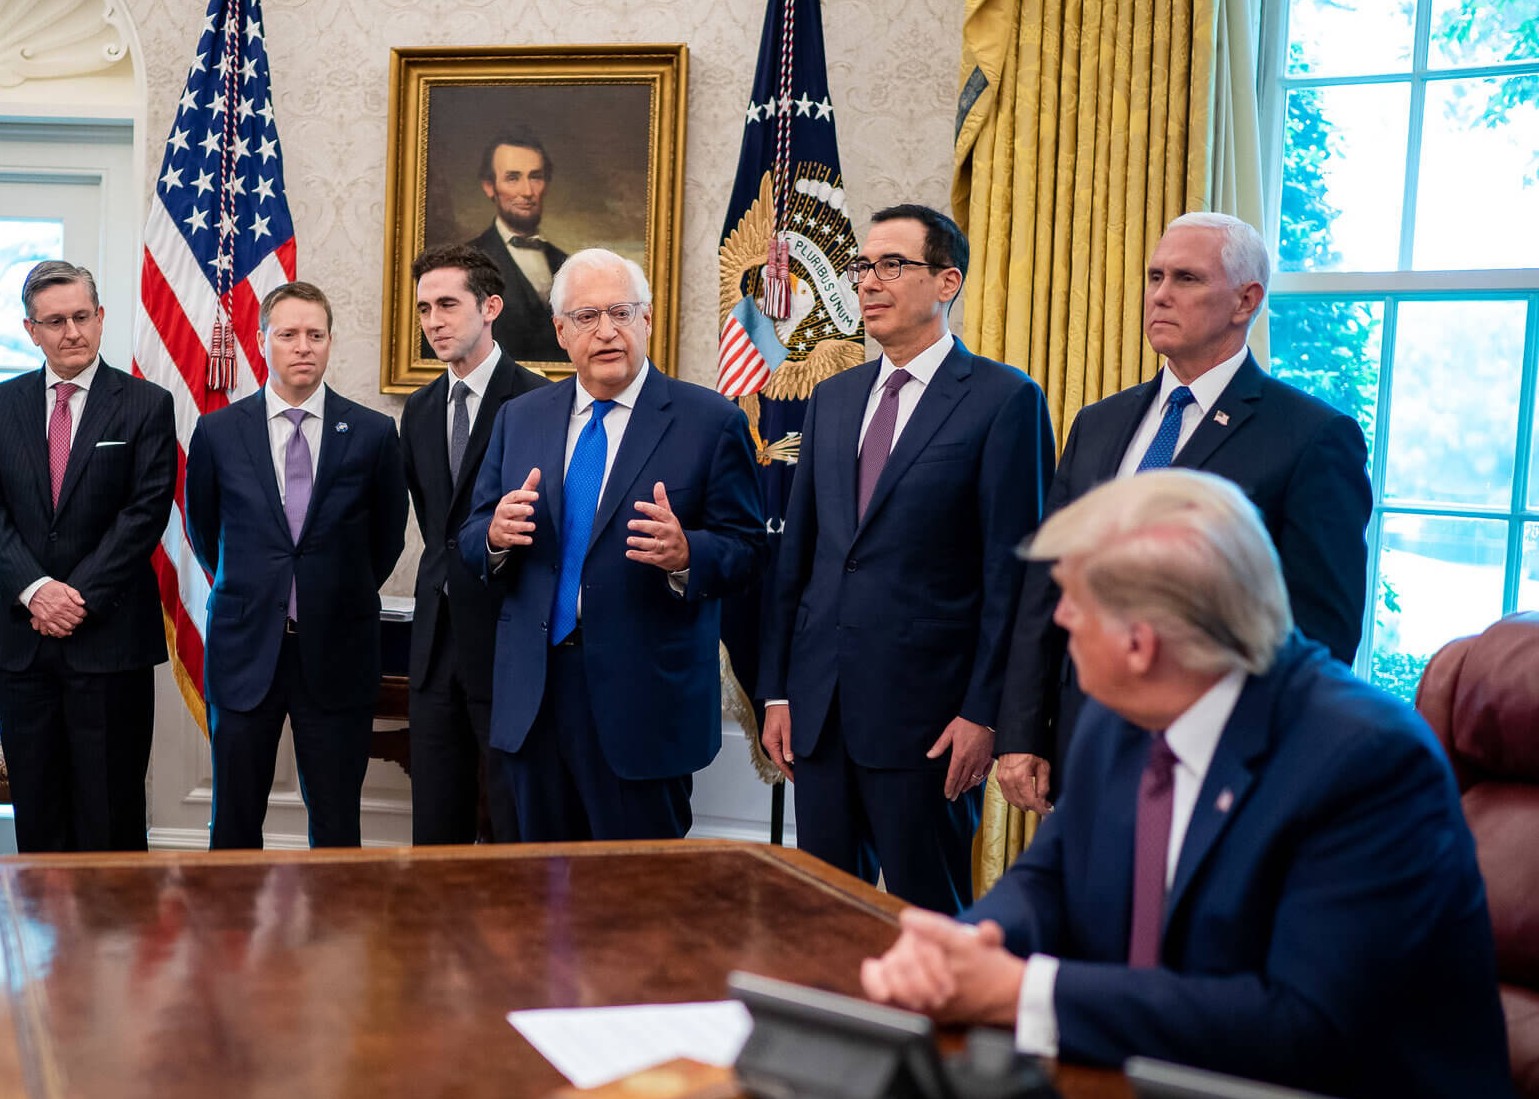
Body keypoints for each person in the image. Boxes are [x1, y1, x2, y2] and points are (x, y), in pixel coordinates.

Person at [859, 470, 1518, 1099]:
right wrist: (969, 946)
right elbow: (1050, 877)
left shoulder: (1370, 763)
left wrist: (1019, 992)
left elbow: (1301, 1028)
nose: (1059, 618)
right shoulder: (1121, 717)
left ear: (1140, 645)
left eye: (1074, 602)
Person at [993, 212, 1371, 817]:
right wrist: (1019, 733)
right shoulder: (1099, 423)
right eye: (1155, 276)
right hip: (1081, 738)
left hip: (1214, 758)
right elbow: (1047, 583)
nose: (1161, 294)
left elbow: (1319, 629)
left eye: (1187, 279)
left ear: (1246, 300)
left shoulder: (1312, 437)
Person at [759, 204, 1053, 912]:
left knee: (930, 921)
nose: (867, 282)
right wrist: (777, 690)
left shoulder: (1003, 400)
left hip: (931, 726)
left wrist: (986, 714)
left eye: (892, 265)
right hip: (820, 716)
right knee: (825, 922)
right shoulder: (832, 398)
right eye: (862, 266)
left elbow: (1013, 577)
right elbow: (797, 559)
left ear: (947, 282)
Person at [459, 248, 765, 842]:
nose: (606, 331)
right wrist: (494, 537)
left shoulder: (710, 421)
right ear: (560, 332)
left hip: (643, 708)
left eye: (621, 313)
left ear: (647, 321)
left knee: (638, 912)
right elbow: (471, 538)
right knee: (538, 900)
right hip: (535, 701)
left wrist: (688, 555)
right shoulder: (519, 418)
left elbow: (750, 551)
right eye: (586, 316)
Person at [184, 281, 408, 849]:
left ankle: (330, 939)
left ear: (331, 342)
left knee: (336, 827)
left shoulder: (374, 433)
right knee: (233, 826)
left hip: (337, 651)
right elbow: (204, 531)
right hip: (246, 651)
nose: (302, 346)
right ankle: (232, 939)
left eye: (315, 334)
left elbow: (386, 540)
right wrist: (261, 587)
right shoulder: (218, 432)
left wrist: (325, 590)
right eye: (288, 334)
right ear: (262, 342)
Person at [0, 261, 176, 853]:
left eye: (82, 316)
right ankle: (43, 944)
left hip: (109, 638)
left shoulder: (145, 405)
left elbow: (145, 513)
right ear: (31, 330)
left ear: (101, 317)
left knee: (110, 810)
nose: (71, 331)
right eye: (54, 321)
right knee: (38, 807)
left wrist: (73, 597)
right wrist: (35, 590)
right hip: (20, 640)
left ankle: (111, 945)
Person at [400, 243, 549, 844]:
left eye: (447, 304)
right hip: (434, 647)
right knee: (436, 826)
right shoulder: (418, 408)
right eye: (423, 308)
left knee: (515, 822)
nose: (433, 320)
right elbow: (433, 525)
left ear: (490, 306)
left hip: (509, 639)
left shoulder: (539, 401)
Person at [468, 130, 569, 363]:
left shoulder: (567, 262)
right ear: (489, 186)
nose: (527, 192)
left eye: (535, 177)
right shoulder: (467, 262)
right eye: (513, 178)